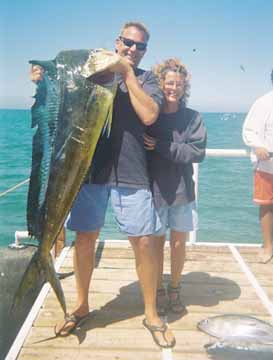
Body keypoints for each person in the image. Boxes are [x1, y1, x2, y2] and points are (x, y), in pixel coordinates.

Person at [31, 22, 175, 348]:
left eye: (140, 46)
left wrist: (127, 74)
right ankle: (81, 305)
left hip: (132, 170)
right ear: (117, 41)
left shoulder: (147, 79)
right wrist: (44, 80)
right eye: (128, 43)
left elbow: (150, 115)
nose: (132, 50)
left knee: (144, 242)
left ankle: (151, 313)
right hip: (90, 169)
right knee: (85, 238)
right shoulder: (92, 69)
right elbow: (61, 88)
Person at [144, 58, 207, 315]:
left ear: (185, 87)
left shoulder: (193, 118)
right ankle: (158, 289)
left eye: (179, 84)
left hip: (182, 190)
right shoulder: (150, 116)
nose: (174, 88)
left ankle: (175, 289)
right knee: (156, 244)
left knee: (179, 244)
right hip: (154, 189)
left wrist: (160, 146)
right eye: (169, 82)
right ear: (160, 84)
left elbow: (197, 151)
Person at [242, 69, 273, 264]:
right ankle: (269, 246)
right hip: (267, 165)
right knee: (266, 205)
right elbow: (249, 130)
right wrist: (258, 146)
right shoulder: (263, 103)